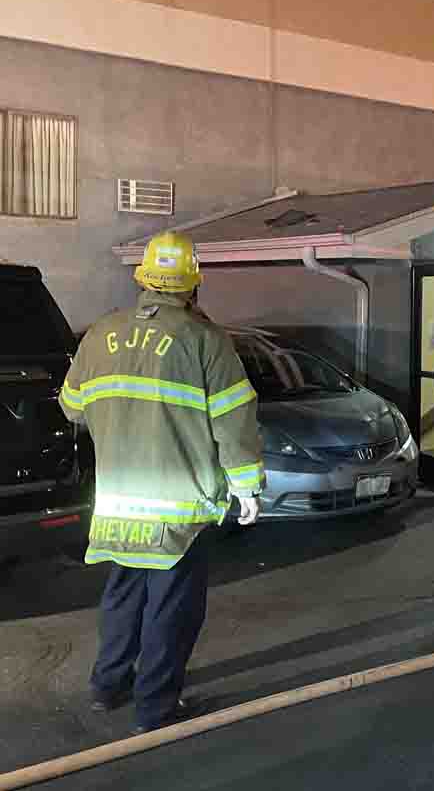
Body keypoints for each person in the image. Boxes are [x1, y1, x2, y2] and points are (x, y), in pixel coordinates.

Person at [59, 231, 263, 734]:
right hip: (177, 508)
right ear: (193, 285)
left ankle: (108, 687)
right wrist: (246, 487)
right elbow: (234, 422)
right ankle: (155, 707)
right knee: (171, 608)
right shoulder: (205, 341)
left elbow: (72, 407)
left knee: (123, 594)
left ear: (144, 279)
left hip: (117, 504)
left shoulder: (99, 335)